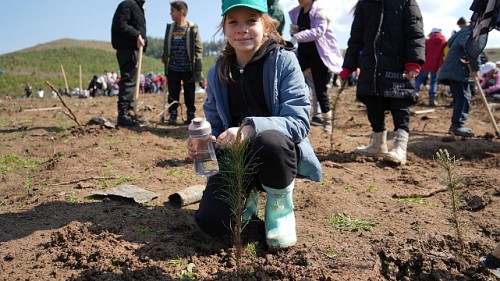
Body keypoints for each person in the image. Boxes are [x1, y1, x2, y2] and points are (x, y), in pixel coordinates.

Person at [189, 0, 321, 249]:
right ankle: (247, 195)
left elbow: (298, 122)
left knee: (269, 140)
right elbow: (215, 124)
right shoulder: (218, 70)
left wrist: (249, 129)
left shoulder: (285, 62)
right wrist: (206, 140)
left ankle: (279, 206)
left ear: (266, 23)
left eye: (251, 20)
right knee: (213, 222)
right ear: (224, 27)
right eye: (233, 22)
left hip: (275, 156)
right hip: (235, 159)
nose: (242, 29)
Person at [338, 0, 425, 166]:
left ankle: (400, 147)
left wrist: (414, 61)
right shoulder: (365, 4)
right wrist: (348, 66)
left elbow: (415, 32)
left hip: (398, 65)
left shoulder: (406, 2)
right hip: (372, 66)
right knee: (373, 102)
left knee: (399, 104)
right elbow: (356, 39)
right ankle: (378, 144)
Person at [289, 0, 343, 132]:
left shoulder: (319, 11)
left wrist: (297, 36)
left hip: (318, 55)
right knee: (297, 86)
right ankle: (299, 117)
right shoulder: (298, 13)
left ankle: (327, 120)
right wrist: (294, 32)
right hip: (303, 55)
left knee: (320, 89)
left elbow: (319, 31)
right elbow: (297, 32)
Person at [161, 1, 203, 125]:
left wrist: (198, 66)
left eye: (172, 11)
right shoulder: (170, 28)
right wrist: (164, 57)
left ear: (181, 12)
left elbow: (198, 47)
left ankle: (190, 114)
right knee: (173, 91)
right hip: (173, 67)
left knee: (189, 93)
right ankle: (173, 114)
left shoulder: (192, 28)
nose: (170, 14)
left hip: (188, 67)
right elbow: (166, 46)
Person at [437, 20, 480, 137]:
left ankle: (455, 125)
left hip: (456, 70)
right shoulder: (469, 33)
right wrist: (475, 67)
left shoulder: (464, 32)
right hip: (457, 71)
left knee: (461, 97)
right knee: (464, 97)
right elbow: (471, 49)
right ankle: (457, 126)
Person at [111, 0, 147, 127]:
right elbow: (119, 23)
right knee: (129, 81)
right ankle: (123, 115)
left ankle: (130, 111)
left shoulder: (137, 7)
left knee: (133, 81)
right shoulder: (127, 4)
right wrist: (136, 35)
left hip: (134, 49)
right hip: (128, 49)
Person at [414, 28, 447, 107]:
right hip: (436, 65)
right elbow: (442, 55)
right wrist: (440, 65)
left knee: (419, 79)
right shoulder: (444, 42)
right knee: (433, 82)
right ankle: (432, 100)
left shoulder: (428, 41)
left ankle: (415, 93)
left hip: (426, 63)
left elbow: (423, 52)